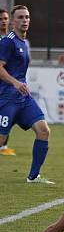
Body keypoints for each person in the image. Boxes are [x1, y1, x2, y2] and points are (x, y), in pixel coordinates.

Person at [0, 5, 52, 183]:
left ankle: (33, 176)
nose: (25, 21)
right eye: (21, 17)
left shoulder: (23, 42)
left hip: (23, 98)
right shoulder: (8, 41)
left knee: (43, 131)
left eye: (27, 17)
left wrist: (20, 85)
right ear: (13, 21)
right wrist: (15, 83)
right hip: (7, 99)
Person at [0, 9, 15, 156]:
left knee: (8, 114)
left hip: (8, 83)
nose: (3, 21)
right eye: (1, 19)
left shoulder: (12, 38)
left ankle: (3, 146)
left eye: (5, 18)